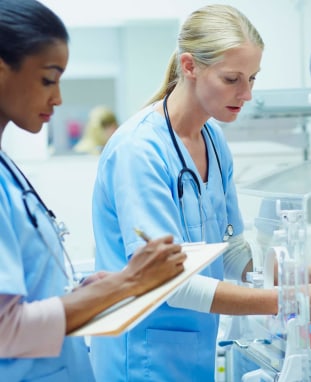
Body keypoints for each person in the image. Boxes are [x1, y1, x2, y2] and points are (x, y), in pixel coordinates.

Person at [90, 4, 311, 381]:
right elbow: (171, 285)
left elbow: (232, 252)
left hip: (192, 350)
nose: (247, 94)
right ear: (190, 66)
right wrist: (293, 300)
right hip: (141, 355)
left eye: (253, 78)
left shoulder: (212, 139)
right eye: (232, 79)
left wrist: (303, 276)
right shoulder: (139, 151)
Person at [0, 1, 186, 381]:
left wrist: (87, 292)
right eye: (48, 80)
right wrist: (128, 282)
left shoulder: (8, 170)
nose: (58, 98)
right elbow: (6, 331)